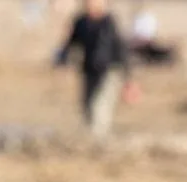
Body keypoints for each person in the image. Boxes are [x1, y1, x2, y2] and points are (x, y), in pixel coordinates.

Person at [54, 0, 137, 137]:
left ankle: (99, 138)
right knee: (86, 105)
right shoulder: (81, 22)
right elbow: (70, 44)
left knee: (100, 105)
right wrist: (62, 61)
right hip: (89, 70)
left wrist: (128, 79)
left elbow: (121, 50)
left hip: (110, 71)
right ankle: (91, 136)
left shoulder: (109, 23)